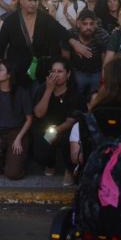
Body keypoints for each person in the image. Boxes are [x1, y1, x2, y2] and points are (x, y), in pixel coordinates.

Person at [0, 0, 85, 93]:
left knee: (37, 98)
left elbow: (61, 31)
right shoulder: (10, 20)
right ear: (21, 0)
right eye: (30, 0)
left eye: (36, 0)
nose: (33, 3)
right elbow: (1, 45)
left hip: (40, 70)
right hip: (17, 70)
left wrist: (75, 43)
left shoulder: (45, 18)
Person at [32, 58, 83, 186]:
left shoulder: (74, 92)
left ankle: (69, 169)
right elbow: (38, 113)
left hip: (65, 128)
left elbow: (71, 121)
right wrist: (49, 90)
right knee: (40, 148)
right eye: (53, 71)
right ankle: (50, 164)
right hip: (45, 127)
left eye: (60, 71)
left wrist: (56, 131)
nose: (56, 75)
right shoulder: (43, 89)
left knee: (68, 140)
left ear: (68, 74)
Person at [0, 60, 33, 180]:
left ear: (9, 75)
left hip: (17, 133)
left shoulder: (21, 92)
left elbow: (29, 119)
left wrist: (19, 139)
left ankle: (15, 161)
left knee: (13, 174)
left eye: (0, 69)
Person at [63, 9, 105, 100]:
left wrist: (103, 77)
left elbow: (105, 60)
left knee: (97, 100)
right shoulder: (70, 34)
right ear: (78, 23)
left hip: (97, 73)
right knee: (76, 99)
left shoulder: (102, 35)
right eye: (85, 24)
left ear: (95, 24)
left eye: (91, 24)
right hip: (77, 72)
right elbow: (65, 59)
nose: (88, 27)